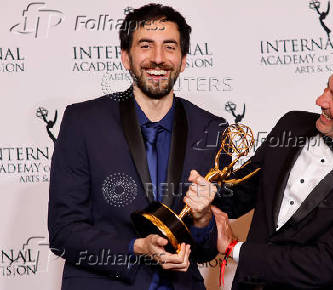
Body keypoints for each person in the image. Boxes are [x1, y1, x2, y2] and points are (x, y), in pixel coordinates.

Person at [48, 4, 225, 290]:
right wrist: (135, 247)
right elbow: (64, 232)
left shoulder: (211, 129)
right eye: (146, 46)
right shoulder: (83, 123)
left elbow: (206, 252)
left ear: (183, 60)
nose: (158, 59)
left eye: (170, 47)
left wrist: (204, 219)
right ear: (126, 58)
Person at [196, 60, 333, 289]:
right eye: (326, 88)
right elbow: (241, 193)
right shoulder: (292, 125)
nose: (320, 101)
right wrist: (206, 195)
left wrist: (233, 248)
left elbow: (325, 264)